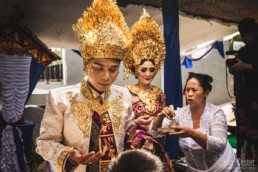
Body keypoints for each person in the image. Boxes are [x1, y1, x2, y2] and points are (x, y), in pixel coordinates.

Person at [36, 0, 156, 172]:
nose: (106, 76)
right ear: (86, 64)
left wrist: (142, 140)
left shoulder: (123, 95)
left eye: (113, 69)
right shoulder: (60, 98)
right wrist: (68, 156)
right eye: (98, 68)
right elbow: (44, 142)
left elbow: (129, 129)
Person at [150, 73, 241, 171]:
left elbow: (219, 144)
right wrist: (160, 117)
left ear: (206, 93)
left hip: (222, 167)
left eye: (194, 90)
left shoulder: (216, 114)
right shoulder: (180, 114)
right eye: (187, 90)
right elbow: (155, 133)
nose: (189, 94)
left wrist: (192, 133)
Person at [123, 9, 166, 141]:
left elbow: (165, 127)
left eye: (152, 70)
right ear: (136, 70)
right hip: (135, 143)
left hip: (157, 143)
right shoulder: (127, 92)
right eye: (143, 70)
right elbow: (118, 124)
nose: (148, 74)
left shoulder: (159, 93)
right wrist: (136, 122)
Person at [228, 18, 258, 162]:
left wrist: (246, 66)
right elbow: (237, 71)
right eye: (243, 35)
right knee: (245, 135)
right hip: (244, 98)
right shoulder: (243, 51)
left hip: (256, 99)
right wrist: (234, 68)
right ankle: (247, 165)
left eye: (249, 34)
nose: (246, 38)